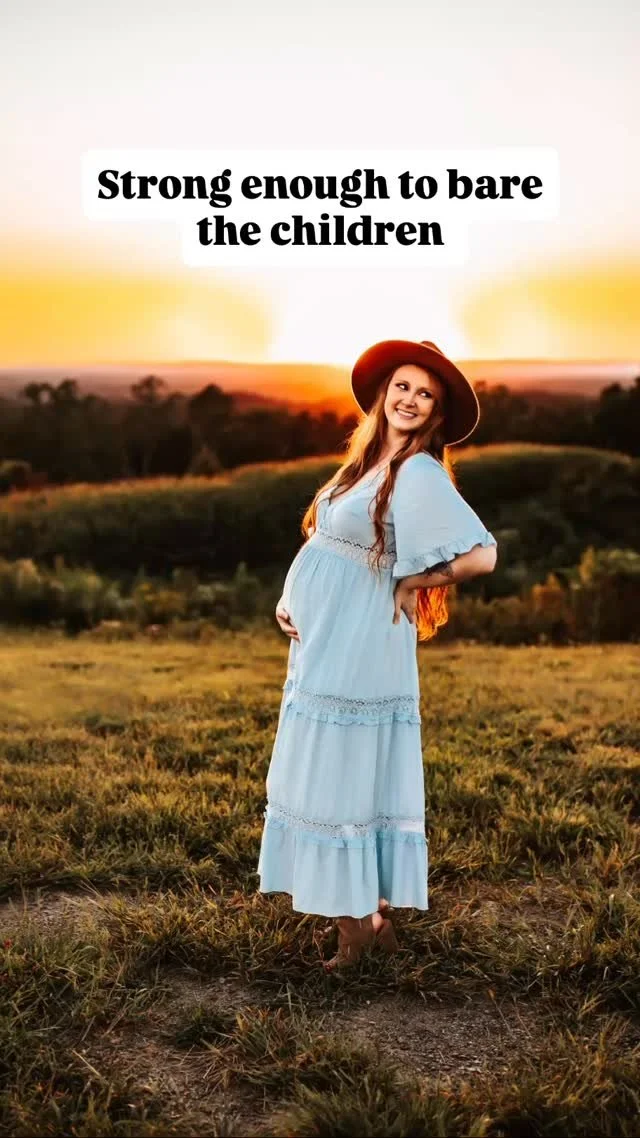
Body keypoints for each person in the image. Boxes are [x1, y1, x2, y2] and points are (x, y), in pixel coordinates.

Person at [257, 339, 498, 970]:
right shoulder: (365, 461)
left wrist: (415, 580)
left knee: (340, 774)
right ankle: (370, 916)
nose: (410, 400)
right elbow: (326, 540)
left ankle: (357, 929)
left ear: (436, 412)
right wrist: (289, 597)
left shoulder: (417, 472)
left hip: (362, 639)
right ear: (384, 393)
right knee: (334, 768)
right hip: (325, 638)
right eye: (403, 387)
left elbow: (483, 555)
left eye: (426, 394)